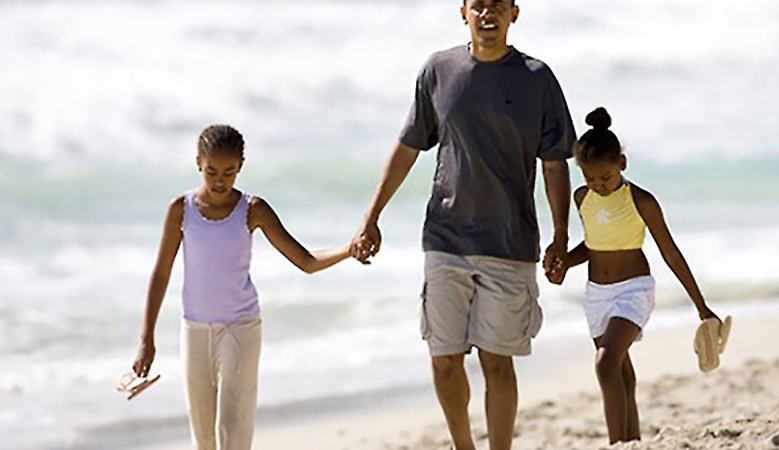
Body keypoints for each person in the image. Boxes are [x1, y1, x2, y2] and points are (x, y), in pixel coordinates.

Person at [351, 0, 575, 448]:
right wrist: (371, 217)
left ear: (514, 13)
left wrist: (561, 237)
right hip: (445, 238)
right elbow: (408, 147)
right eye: (478, 6)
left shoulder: (537, 78)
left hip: (509, 243)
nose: (487, 14)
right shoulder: (438, 70)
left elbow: (554, 164)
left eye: (498, 5)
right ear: (463, 12)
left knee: (497, 362)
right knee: (444, 358)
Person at [130, 125, 351, 450]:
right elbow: (161, 274)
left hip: (240, 329)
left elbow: (304, 261)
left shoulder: (252, 209)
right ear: (198, 163)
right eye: (211, 171)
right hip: (194, 330)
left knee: (233, 434)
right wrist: (146, 339)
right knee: (203, 439)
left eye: (229, 172)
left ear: (241, 167)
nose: (220, 181)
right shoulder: (181, 209)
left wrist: (349, 250)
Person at [546, 107, 723, 444]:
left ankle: (616, 444)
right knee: (621, 372)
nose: (598, 186)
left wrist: (701, 307)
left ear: (622, 164)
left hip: (633, 291)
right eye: (590, 179)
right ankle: (632, 442)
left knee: (605, 364)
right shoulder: (582, 198)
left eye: (605, 178)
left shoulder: (641, 201)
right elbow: (595, 245)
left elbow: (671, 254)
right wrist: (565, 262)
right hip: (596, 295)